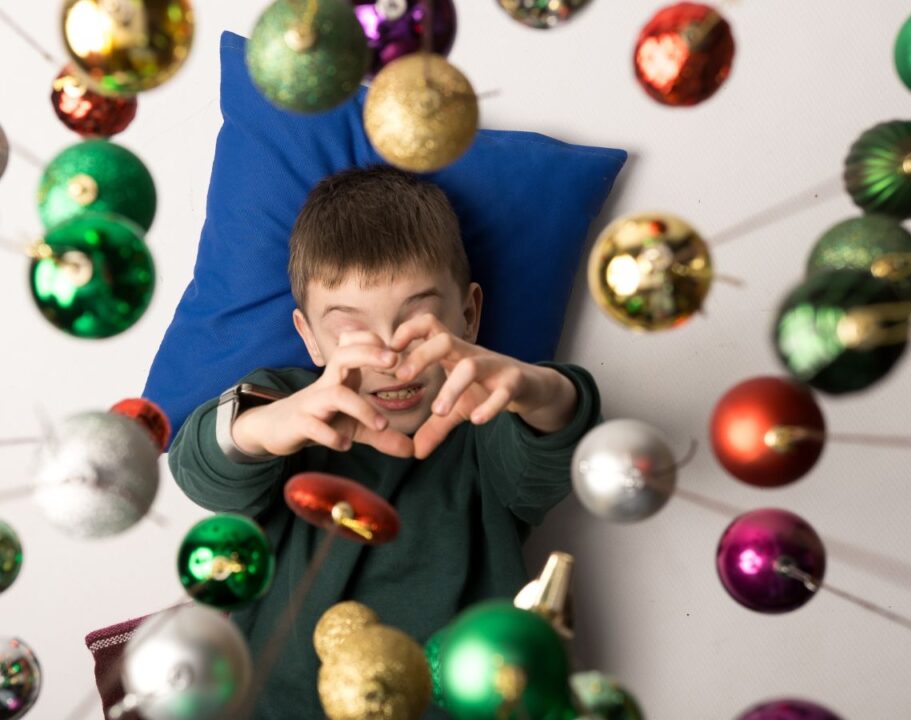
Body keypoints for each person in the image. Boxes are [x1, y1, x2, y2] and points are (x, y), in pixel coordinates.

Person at [168, 164, 601, 719]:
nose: (392, 360)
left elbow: (558, 443)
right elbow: (199, 466)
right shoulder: (288, 406)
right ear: (310, 338)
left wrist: (538, 385)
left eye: (417, 320)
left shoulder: (487, 417)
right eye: (351, 328)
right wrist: (267, 425)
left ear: (468, 316)